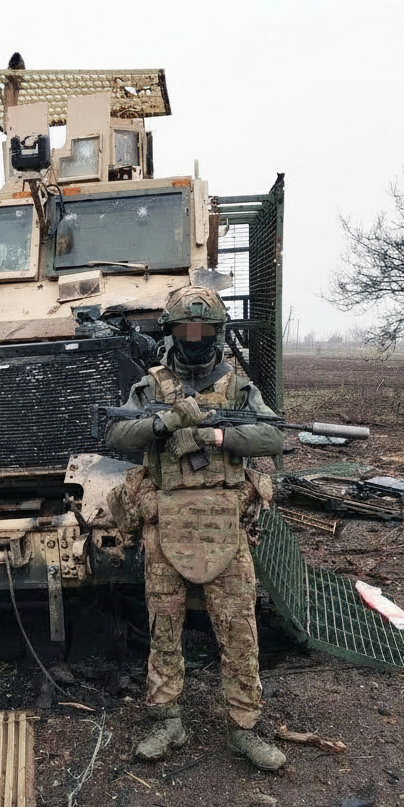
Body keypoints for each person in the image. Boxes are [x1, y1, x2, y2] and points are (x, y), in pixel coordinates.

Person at [105, 284, 286, 770]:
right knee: (164, 629)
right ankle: (168, 721)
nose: (194, 339)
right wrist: (166, 423)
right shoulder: (151, 385)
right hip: (166, 524)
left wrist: (217, 434)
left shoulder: (238, 387)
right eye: (186, 330)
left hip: (224, 523)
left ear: (218, 333)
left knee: (239, 631)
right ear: (171, 333)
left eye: (204, 330)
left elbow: (273, 434)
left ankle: (244, 729)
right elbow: (117, 431)